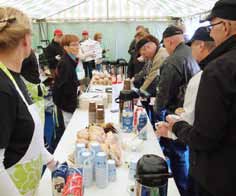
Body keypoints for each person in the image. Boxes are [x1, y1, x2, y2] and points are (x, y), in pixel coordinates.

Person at [157, 0, 236, 195]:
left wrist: (176, 126)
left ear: (225, 26)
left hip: (217, 177)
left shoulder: (218, 69)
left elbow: (204, 137)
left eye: (212, 26)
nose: (211, 33)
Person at [0, 7, 56, 196]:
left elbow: (24, 135)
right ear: (25, 40)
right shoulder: (3, 87)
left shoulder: (14, 77)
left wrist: (51, 162)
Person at [154, 25, 199, 196]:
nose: (165, 49)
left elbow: (164, 92)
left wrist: (158, 113)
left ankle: (180, 189)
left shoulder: (173, 61)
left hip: (177, 113)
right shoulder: (191, 53)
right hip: (189, 112)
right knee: (183, 153)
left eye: (164, 45)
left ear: (170, 41)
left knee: (178, 154)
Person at [179, 27, 215, 125]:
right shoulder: (224, 67)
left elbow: (189, 119)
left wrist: (172, 129)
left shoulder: (200, 78)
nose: (191, 50)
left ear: (201, 46)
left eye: (192, 46)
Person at [53, 34, 80, 127]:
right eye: (73, 45)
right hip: (66, 103)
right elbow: (64, 86)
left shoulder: (71, 60)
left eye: (78, 44)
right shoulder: (65, 63)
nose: (77, 47)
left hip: (69, 100)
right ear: (65, 47)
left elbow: (70, 81)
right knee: (69, 127)